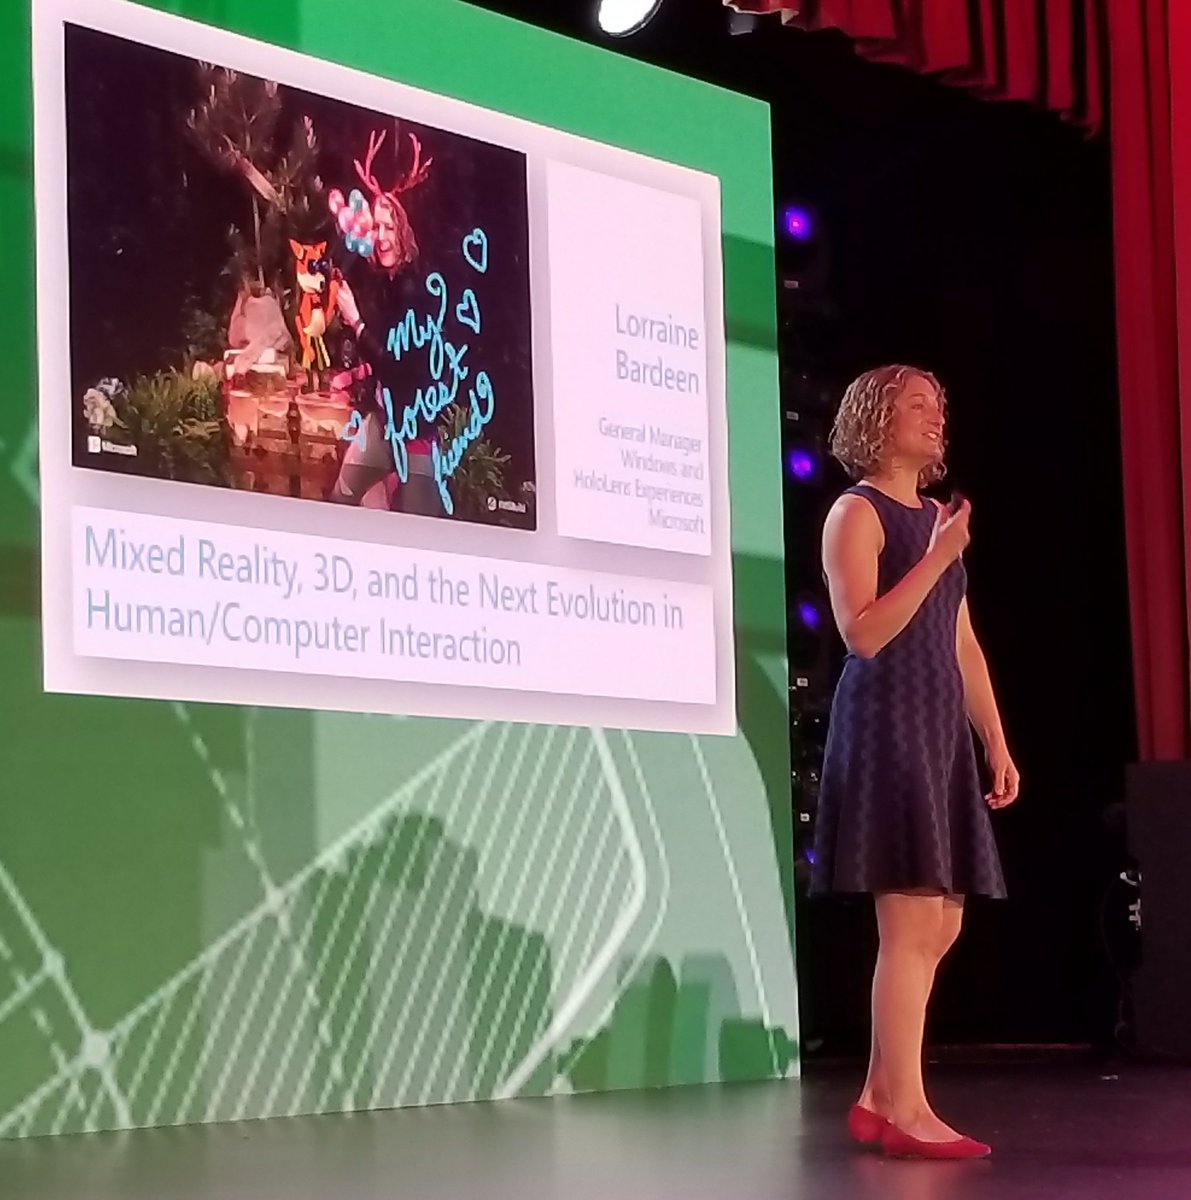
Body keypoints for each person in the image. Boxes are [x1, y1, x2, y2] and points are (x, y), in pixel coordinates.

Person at [810, 364, 1020, 1160]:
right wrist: (934, 558)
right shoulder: (855, 513)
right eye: (916, 405)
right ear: (875, 417)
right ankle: (906, 1108)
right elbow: (861, 633)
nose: (935, 418)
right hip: (886, 726)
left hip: (936, 731)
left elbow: (959, 640)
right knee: (908, 922)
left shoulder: (938, 520)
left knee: (941, 922)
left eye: (939, 407)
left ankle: (877, 1093)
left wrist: (993, 738)